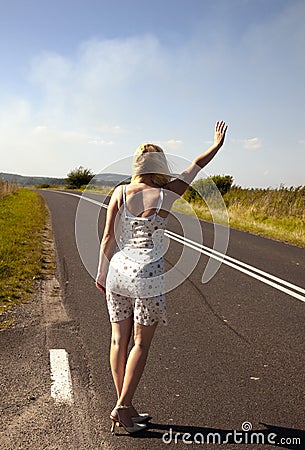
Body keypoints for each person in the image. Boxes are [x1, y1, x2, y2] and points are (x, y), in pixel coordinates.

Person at [95, 121, 228, 434]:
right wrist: (217, 145)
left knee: (118, 340)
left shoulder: (120, 192)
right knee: (140, 343)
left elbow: (106, 237)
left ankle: (125, 410)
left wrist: (102, 271)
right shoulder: (167, 193)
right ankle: (122, 406)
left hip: (117, 271)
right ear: (161, 166)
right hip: (147, 275)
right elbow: (196, 165)